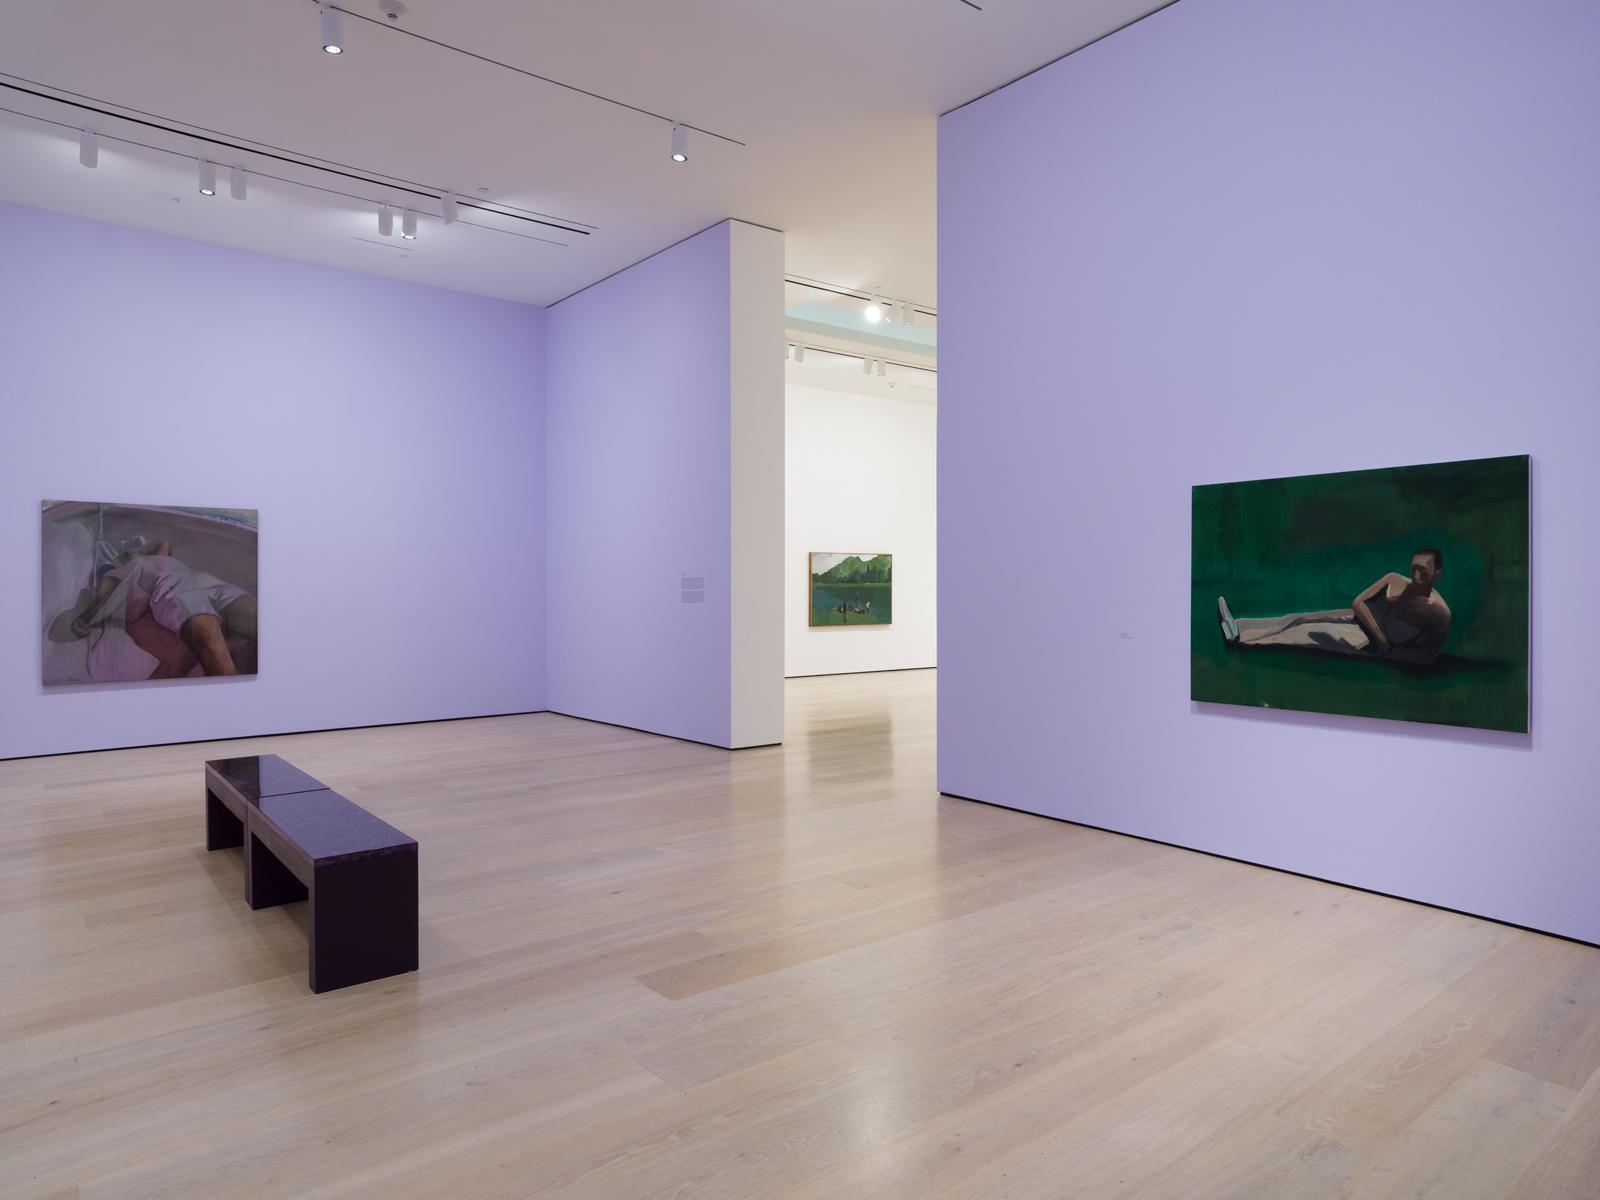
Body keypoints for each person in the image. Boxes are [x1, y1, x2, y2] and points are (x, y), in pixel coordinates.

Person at [1217, 548, 1451, 665]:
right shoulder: (1394, 580)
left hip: (1364, 640)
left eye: (1423, 571)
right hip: (1361, 621)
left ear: (1437, 574)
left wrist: (1387, 649)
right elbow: (1358, 602)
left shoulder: (1439, 613)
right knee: (1299, 618)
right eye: (1414, 568)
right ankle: (1239, 625)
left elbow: (1427, 656)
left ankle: (1240, 639)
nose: (1416, 575)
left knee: (1306, 632)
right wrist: (1381, 636)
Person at [71, 539, 257, 676]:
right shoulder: (121, 572)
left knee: (260, 628)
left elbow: (165, 544)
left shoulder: (136, 564)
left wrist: (84, 620)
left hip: (191, 584)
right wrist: (86, 618)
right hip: (179, 587)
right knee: (218, 654)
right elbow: (105, 597)